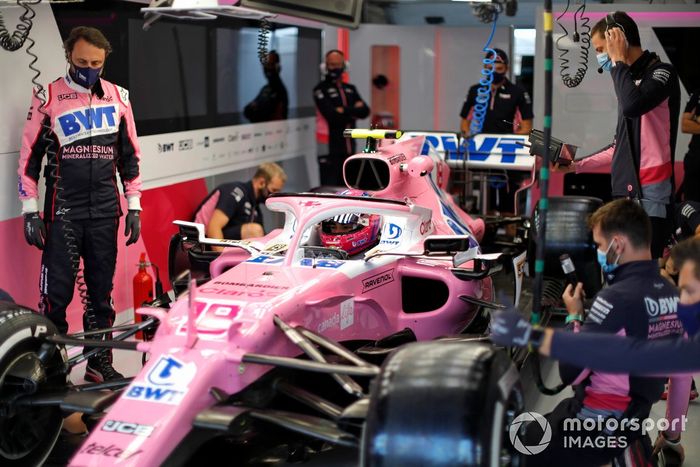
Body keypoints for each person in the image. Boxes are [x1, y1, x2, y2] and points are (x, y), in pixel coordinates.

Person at [493, 199, 686, 465]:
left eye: (599, 245)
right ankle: (629, 448)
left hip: (587, 428)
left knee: (507, 445)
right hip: (633, 421)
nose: (598, 252)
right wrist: (672, 436)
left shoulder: (614, 299)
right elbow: (682, 378)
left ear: (617, 245)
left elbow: (571, 373)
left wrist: (574, 316)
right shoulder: (675, 298)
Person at [17, 26, 142, 382]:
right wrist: (30, 211)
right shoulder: (47, 95)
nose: (89, 68)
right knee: (56, 299)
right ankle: (52, 369)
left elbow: (130, 157)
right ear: (69, 55)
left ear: (105, 61)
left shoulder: (119, 97)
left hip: (105, 212)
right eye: (82, 61)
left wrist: (134, 206)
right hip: (63, 213)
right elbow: (29, 159)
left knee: (101, 298)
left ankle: (97, 365)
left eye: (97, 63)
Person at [555, 11, 680, 258]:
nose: (601, 56)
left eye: (602, 48)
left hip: (652, 192)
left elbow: (634, 106)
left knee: (645, 265)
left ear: (618, 39)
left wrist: (618, 62)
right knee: (619, 265)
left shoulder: (661, 73)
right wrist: (576, 166)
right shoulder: (628, 82)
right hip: (624, 190)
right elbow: (618, 147)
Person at [193, 162, 286, 251]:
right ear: (262, 182)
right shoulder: (236, 192)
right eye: (274, 190)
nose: (275, 195)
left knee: (275, 235)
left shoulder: (255, 207)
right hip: (202, 243)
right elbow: (213, 227)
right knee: (254, 230)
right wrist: (221, 261)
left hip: (218, 240)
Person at [313, 49, 370, 186]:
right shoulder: (320, 89)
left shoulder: (351, 88)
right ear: (325, 66)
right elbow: (332, 116)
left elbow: (365, 111)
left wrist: (343, 110)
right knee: (329, 188)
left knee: (349, 187)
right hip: (328, 147)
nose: (335, 68)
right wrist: (353, 110)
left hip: (349, 147)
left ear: (344, 66)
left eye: (338, 64)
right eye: (332, 64)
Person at [459, 48, 533, 136]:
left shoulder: (518, 93)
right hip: (480, 144)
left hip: (507, 145)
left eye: (499, 68)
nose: (494, 72)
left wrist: (510, 143)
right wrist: (471, 141)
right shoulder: (475, 90)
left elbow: (527, 127)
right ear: (485, 68)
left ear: (507, 68)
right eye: (490, 68)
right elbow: (464, 123)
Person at [243, 50, 288, 123]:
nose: (266, 68)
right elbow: (247, 111)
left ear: (277, 67)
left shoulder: (280, 90)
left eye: (270, 64)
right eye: (265, 64)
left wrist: (255, 108)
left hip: (274, 132)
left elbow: (263, 114)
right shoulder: (265, 89)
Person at [680, 89, 700, 202]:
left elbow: (689, 121)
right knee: (691, 207)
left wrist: (695, 119)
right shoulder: (696, 94)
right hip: (694, 161)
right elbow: (685, 125)